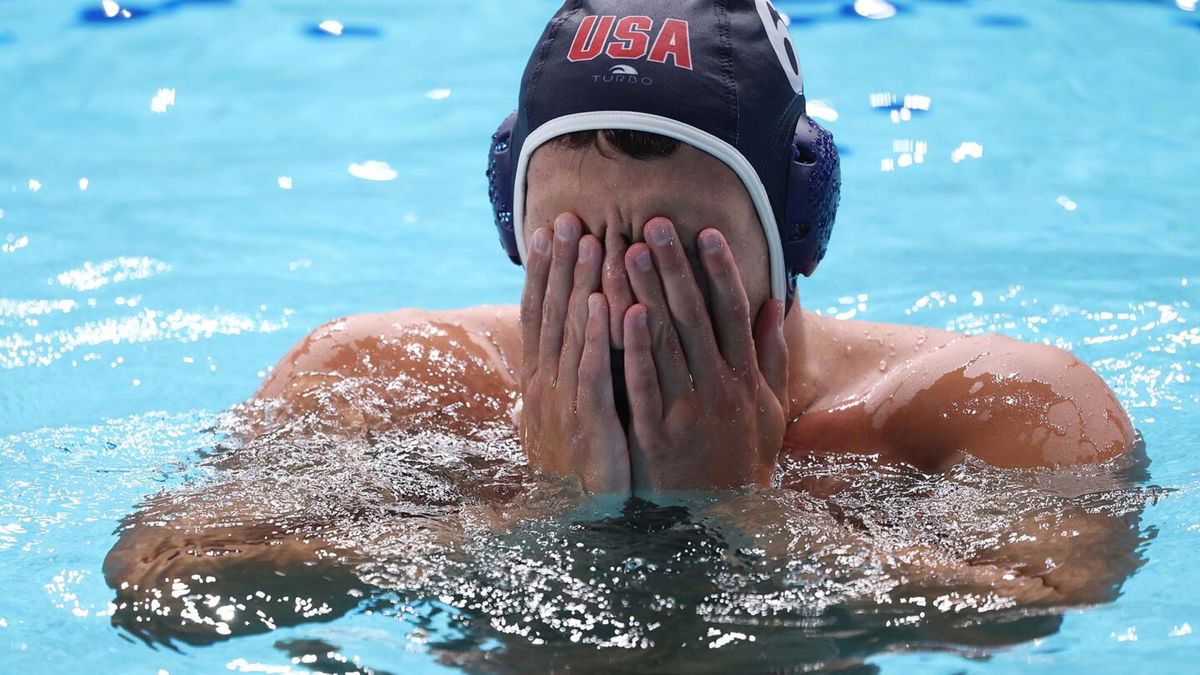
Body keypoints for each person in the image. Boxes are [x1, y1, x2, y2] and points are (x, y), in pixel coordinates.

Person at [102, 0, 1145, 653]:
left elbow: (1042, 610)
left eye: (675, 258)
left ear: (792, 235)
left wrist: (746, 509)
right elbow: (162, 586)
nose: (621, 303)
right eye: (575, 251)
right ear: (513, 225)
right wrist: (530, 507)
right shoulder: (392, 375)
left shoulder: (995, 406)